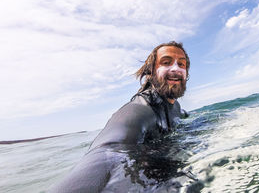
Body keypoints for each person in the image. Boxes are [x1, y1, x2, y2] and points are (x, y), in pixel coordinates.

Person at [50, 41, 190, 193]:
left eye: (181, 64)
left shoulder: (177, 108)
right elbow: (107, 152)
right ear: (151, 72)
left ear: (186, 74)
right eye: (166, 62)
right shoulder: (138, 110)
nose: (175, 68)